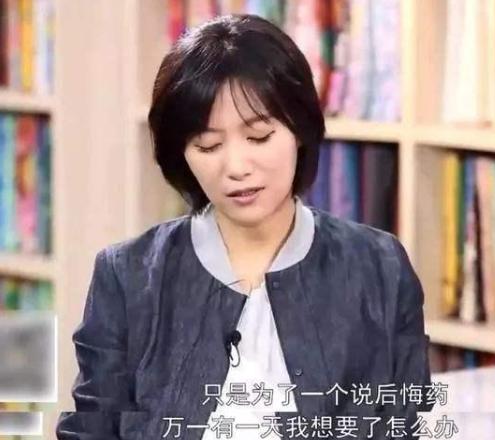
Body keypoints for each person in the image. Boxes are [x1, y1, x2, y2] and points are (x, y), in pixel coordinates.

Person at [56, 14, 432, 440]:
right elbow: (90, 430)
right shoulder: (127, 277)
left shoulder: (380, 269)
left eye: (258, 137)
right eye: (208, 145)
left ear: (299, 130)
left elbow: (405, 425)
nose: (236, 167)